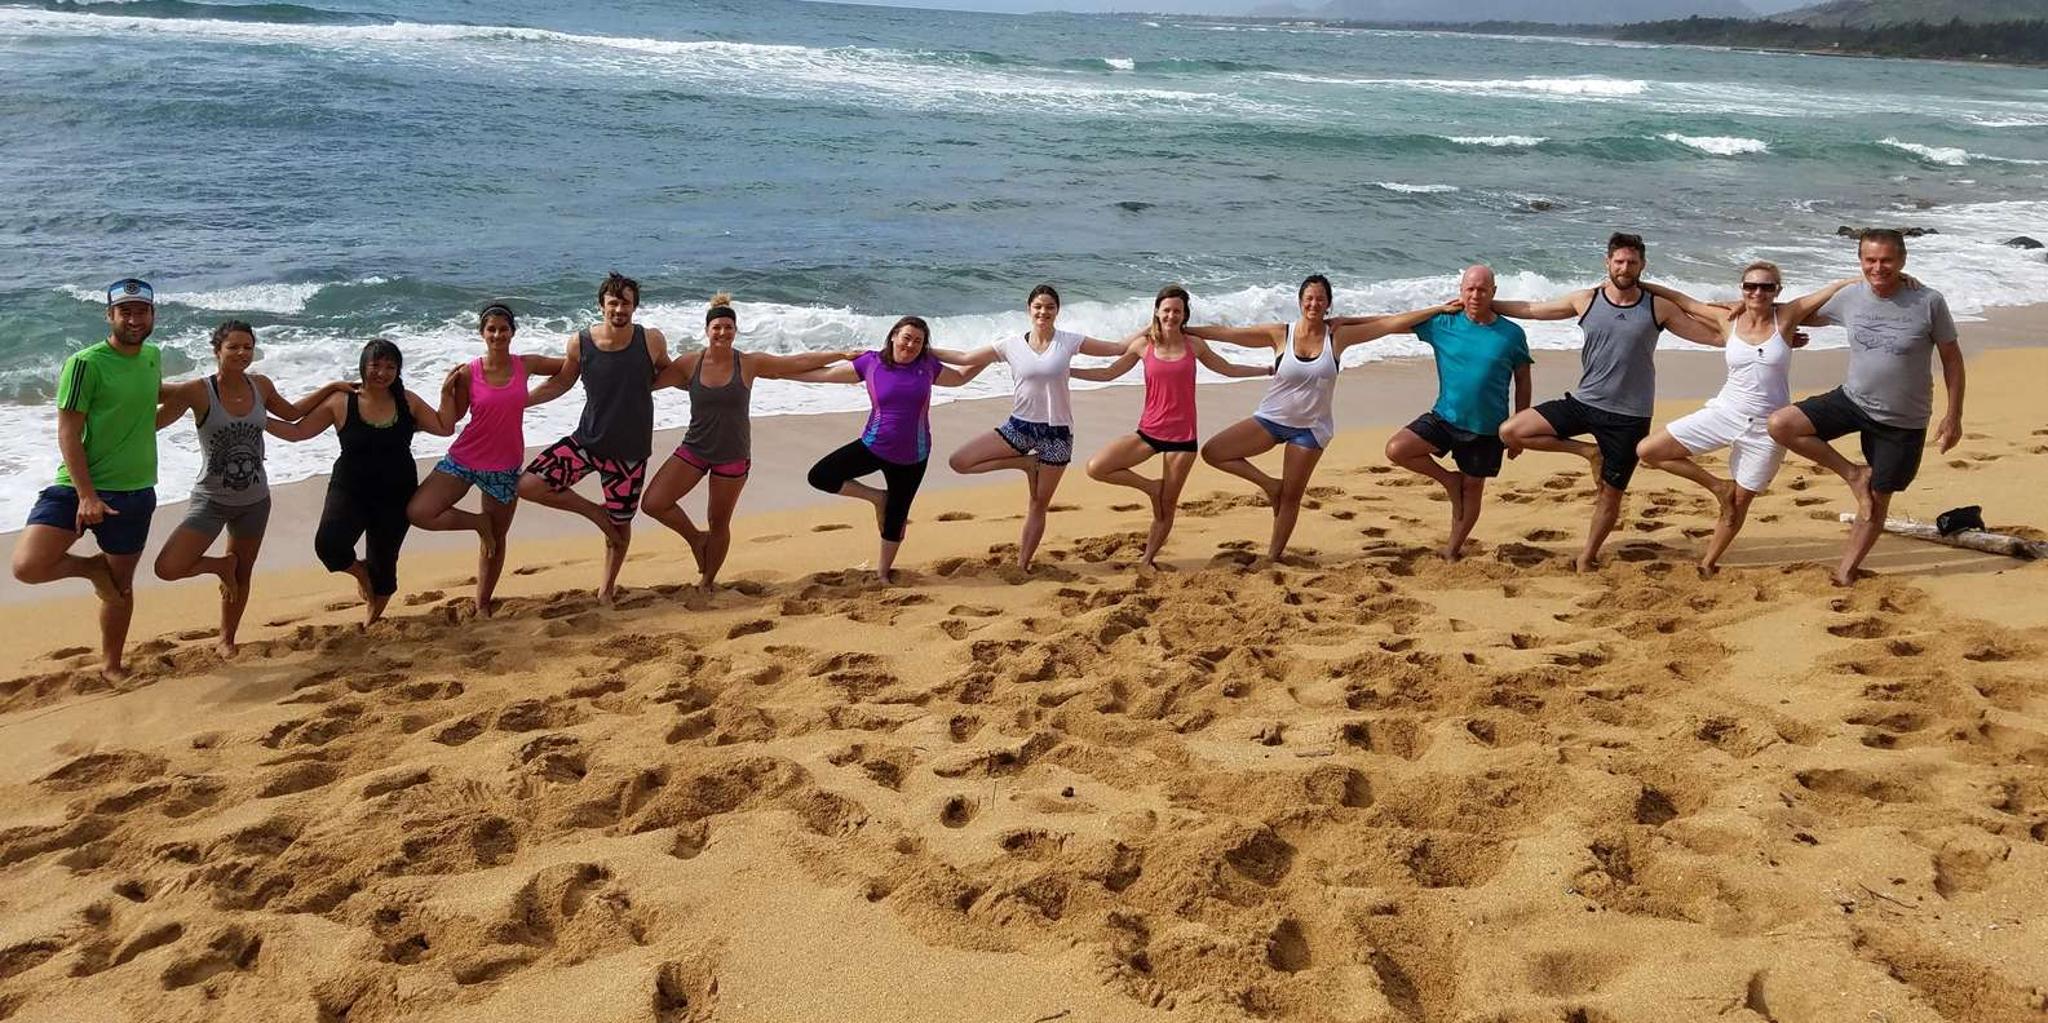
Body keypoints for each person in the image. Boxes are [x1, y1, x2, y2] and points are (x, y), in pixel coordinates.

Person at [1493, 233, 1724, 571]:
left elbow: (1715, 337)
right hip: (1585, 402)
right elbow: (1530, 310)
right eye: (1619, 261)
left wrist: (1769, 335)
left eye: (1631, 262)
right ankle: (1588, 452)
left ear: (1642, 265)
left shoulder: (1657, 307)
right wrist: (1485, 305)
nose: (1625, 267)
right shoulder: (1586, 300)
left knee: (1610, 495)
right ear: (1607, 262)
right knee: (1512, 431)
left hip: (1629, 416)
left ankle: (1587, 556)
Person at [1185, 275, 1456, 563]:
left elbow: (1391, 323)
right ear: (1300, 301)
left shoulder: (1338, 337)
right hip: (1271, 419)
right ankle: (1270, 485)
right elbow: (1227, 333)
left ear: (1328, 305)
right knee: (1214, 452)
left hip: (1311, 430)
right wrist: (1184, 328)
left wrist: (1438, 309)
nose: (1314, 303)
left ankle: (1273, 556)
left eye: (1320, 299)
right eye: (1309, 298)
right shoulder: (1280, 333)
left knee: (1291, 498)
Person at [1768, 229, 1963, 586]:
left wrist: (1953, 417)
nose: (1878, 268)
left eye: (1886, 260)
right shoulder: (1851, 296)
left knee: (1877, 498)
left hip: (1903, 419)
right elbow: (1794, 312)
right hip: (1853, 400)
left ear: (1902, 261)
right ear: (1859, 262)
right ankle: (1853, 473)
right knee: (1782, 424)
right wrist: (1771, 316)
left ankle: (1846, 571)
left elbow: (1952, 359)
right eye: (1869, 260)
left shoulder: (1928, 301)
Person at [1636, 266, 1853, 575]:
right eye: (1750, 286)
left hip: (1768, 427)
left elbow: (1832, 290)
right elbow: (1683, 300)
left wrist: (1860, 279)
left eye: (1766, 287)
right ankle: (1717, 486)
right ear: (1742, 289)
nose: (1757, 293)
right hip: (1725, 412)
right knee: (1649, 450)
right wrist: (1638, 282)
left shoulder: (1787, 317)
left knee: (1739, 503)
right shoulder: (1728, 318)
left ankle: (1709, 561)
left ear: (1777, 290)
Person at [153, 321, 351, 654]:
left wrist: (332, 386)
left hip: (256, 500)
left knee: (243, 572)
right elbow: (152, 424)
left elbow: (293, 413)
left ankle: (226, 640)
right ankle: (220, 566)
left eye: (248, 347)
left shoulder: (261, 385)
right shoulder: (198, 391)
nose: (242, 353)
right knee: (168, 567)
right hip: (211, 499)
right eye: (233, 347)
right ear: (217, 351)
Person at [641, 294, 851, 592]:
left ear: (735, 330)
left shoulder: (749, 363)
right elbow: (647, 384)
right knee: (653, 503)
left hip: (733, 455)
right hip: (695, 449)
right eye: (717, 327)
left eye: (728, 327)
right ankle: (695, 539)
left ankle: (707, 581)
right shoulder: (689, 363)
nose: (723, 333)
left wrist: (840, 355)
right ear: (707, 330)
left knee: (719, 522)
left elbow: (795, 363)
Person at [11, 279, 164, 680]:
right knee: (27, 566)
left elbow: (145, 404)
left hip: (134, 492)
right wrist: (86, 495)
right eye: (125, 311)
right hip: (79, 488)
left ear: (153, 315)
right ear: (109, 315)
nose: (133, 319)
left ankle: (111, 665)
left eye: (141, 311)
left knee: (122, 588)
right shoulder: (84, 364)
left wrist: (201, 395)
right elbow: (67, 431)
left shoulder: (153, 357)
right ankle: (90, 569)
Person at [1070, 285, 1271, 568]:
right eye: (1166, 310)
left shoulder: (1195, 345)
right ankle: (1151, 486)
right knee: (1097, 467)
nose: (1171, 315)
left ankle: (1147, 559)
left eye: (1177, 311)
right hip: (1148, 433)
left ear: (1184, 314)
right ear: (1157, 311)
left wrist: (1266, 369)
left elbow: (1228, 368)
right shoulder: (1143, 345)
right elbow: (1108, 373)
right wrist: (1066, 371)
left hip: (1183, 439)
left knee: (1166, 508)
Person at [936, 284, 1129, 571]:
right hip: (1020, 426)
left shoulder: (1069, 341)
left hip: (1057, 432)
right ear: (1029, 309)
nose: (1043, 312)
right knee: (960, 462)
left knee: (1038, 504)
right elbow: (965, 359)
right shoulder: (1010, 344)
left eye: (1049, 307)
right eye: (1038, 306)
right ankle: (1025, 464)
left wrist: (1153, 332)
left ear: (1057, 311)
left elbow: (1117, 349)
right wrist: (921, 349)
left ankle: (1023, 564)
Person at [268, 339, 452, 628]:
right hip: (350, 487)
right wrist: (257, 420)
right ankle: (359, 572)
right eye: (375, 365)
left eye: (391, 366)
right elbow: (297, 432)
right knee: (329, 545)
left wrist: (446, 392)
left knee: (384, 566)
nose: (382, 372)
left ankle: (371, 619)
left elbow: (444, 427)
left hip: (396, 490)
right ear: (363, 366)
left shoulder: (408, 401)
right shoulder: (341, 402)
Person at [795, 316, 985, 583]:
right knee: (821, 475)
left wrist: (994, 355)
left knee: (896, 519)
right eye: (906, 337)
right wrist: (778, 371)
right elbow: (824, 375)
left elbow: (961, 377)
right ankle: (876, 497)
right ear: (894, 335)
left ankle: (883, 573)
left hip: (914, 455)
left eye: (918, 341)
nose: (910, 345)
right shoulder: (871, 362)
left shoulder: (927, 366)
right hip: (873, 445)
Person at [404, 303, 564, 617]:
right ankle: (477, 523)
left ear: (513, 332)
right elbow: (452, 421)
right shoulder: (468, 372)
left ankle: (482, 604)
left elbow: (571, 364)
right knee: (419, 511)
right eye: (491, 329)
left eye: (503, 329)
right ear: (482, 333)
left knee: (496, 540)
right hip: (465, 457)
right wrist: (444, 396)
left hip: (504, 464)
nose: (497, 334)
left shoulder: (526, 364)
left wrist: (540, 395)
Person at [520, 272, 669, 604]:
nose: (619, 309)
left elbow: (668, 373)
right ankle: (593, 512)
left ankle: (606, 588)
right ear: (601, 305)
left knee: (620, 526)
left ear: (635, 307)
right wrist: (521, 401)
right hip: (587, 442)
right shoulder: (580, 343)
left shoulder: (652, 340)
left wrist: (707, 383)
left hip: (629, 451)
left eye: (625, 303)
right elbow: (560, 383)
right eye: (612, 303)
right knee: (528, 484)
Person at [1376, 266, 1533, 561]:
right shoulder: (1442, 324)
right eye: (1470, 289)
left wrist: (1519, 430)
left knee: (1472, 489)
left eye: (1482, 289)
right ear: (1460, 292)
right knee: (1398, 449)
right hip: (1444, 417)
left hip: (1488, 428)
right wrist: (1437, 308)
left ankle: (1452, 549)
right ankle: (1448, 480)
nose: (1475, 295)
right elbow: (1392, 324)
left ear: (1494, 292)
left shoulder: (1512, 334)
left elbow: (1523, 380)